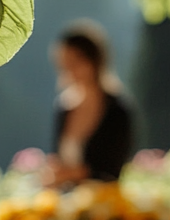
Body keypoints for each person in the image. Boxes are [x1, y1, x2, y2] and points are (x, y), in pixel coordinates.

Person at [44, 22, 134, 187]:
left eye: (75, 62)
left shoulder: (117, 110)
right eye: (65, 64)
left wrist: (73, 174)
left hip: (103, 204)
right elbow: (58, 158)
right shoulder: (64, 107)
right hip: (64, 202)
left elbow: (112, 169)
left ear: (94, 61)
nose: (70, 70)